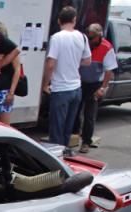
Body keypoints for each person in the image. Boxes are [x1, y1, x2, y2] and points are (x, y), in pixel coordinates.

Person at [42, 6, 92, 147]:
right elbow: (88, 61)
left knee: (56, 127)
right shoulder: (82, 37)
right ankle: (66, 152)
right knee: (68, 126)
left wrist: (45, 84)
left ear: (59, 21)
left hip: (60, 88)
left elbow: (51, 64)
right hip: (76, 88)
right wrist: (74, 61)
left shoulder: (57, 38)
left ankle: (57, 156)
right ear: (74, 20)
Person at [73, 23, 117, 153]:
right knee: (75, 110)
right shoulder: (83, 43)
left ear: (99, 37)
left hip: (95, 84)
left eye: (91, 38)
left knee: (89, 114)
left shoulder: (107, 48)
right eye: (88, 37)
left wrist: (102, 88)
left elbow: (109, 71)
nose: (89, 40)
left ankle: (86, 141)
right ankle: (74, 135)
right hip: (80, 81)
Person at [0, 21, 21, 125]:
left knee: (5, 124)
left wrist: (11, 92)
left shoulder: (9, 48)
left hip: (4, 90)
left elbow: (17, 70)